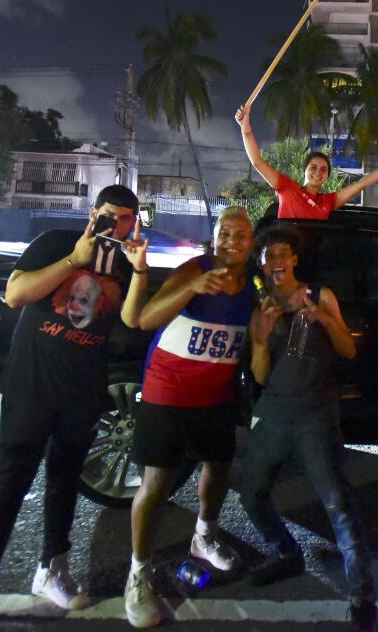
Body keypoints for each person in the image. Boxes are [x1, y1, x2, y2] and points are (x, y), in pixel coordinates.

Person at [0, 186, 149, 632]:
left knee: (64, 483)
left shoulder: (126, 260)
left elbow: (131, 318)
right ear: (92, 212)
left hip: (81, 393)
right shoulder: (57, 242)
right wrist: (74, 260)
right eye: (108, 215)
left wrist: (140, 271)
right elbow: (15, 294)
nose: (114, 226)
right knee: (8, 484)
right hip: (29, 388)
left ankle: (52, 569)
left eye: (124, 219)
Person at [122, 206, 256, 628]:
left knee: (218, 468)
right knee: (157, 482)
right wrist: (193, 286)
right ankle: (138, 573)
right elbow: (144, 319)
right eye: (225, 233)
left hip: (214, 398)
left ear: (251, 243)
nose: (232, 241)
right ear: (214, 237)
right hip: (168, 393)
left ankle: (204, 536)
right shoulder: (192, 270)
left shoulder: (252, 286)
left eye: (240, 235)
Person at [241, 224, 378, 632]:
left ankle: (362, 597)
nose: (277, 261)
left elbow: (348, 349)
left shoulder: (320, 294)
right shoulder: (260, 307)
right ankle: (286, 552)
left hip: (316, 413)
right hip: (275, 412)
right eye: (270, 257)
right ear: (263, 265)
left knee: (336, 500)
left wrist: (323, 318)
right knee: (252, 492)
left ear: (294, 259)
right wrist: (262, 342)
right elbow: (261, 376)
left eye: (284, 254)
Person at [236, 106, 378, 219]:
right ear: (305, 170)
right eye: (313, 167)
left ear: (327, 176)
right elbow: (257, 162)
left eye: (323, 170)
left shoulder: (328, 201)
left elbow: (361, 184)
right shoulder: (287, 188)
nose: (318, 172)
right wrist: (245, 128)